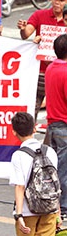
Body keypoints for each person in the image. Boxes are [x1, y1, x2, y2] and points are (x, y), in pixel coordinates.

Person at [7, 111, 67, 236]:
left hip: (28, 211)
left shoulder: (19, 156)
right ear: (35, 128)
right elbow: (55, 182)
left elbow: (19, 187)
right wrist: (57, 210)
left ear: (14, 132)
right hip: (49, 208)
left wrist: (18, 214)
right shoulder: (49, 151)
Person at [17, 0, 67, 120]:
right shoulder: (40, 15)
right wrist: (23, 29)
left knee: (59, 113)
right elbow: (26, 34)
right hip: (39, 72)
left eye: (61, 0)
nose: (56, 2)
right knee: (32, 109)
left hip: (60, 74)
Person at [45, 34, 67, 218]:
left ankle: (53, 202)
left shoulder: (51, 68)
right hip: (64, 125)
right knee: (63, 169)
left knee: (54, 167)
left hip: (52, 124)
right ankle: (64, 207)